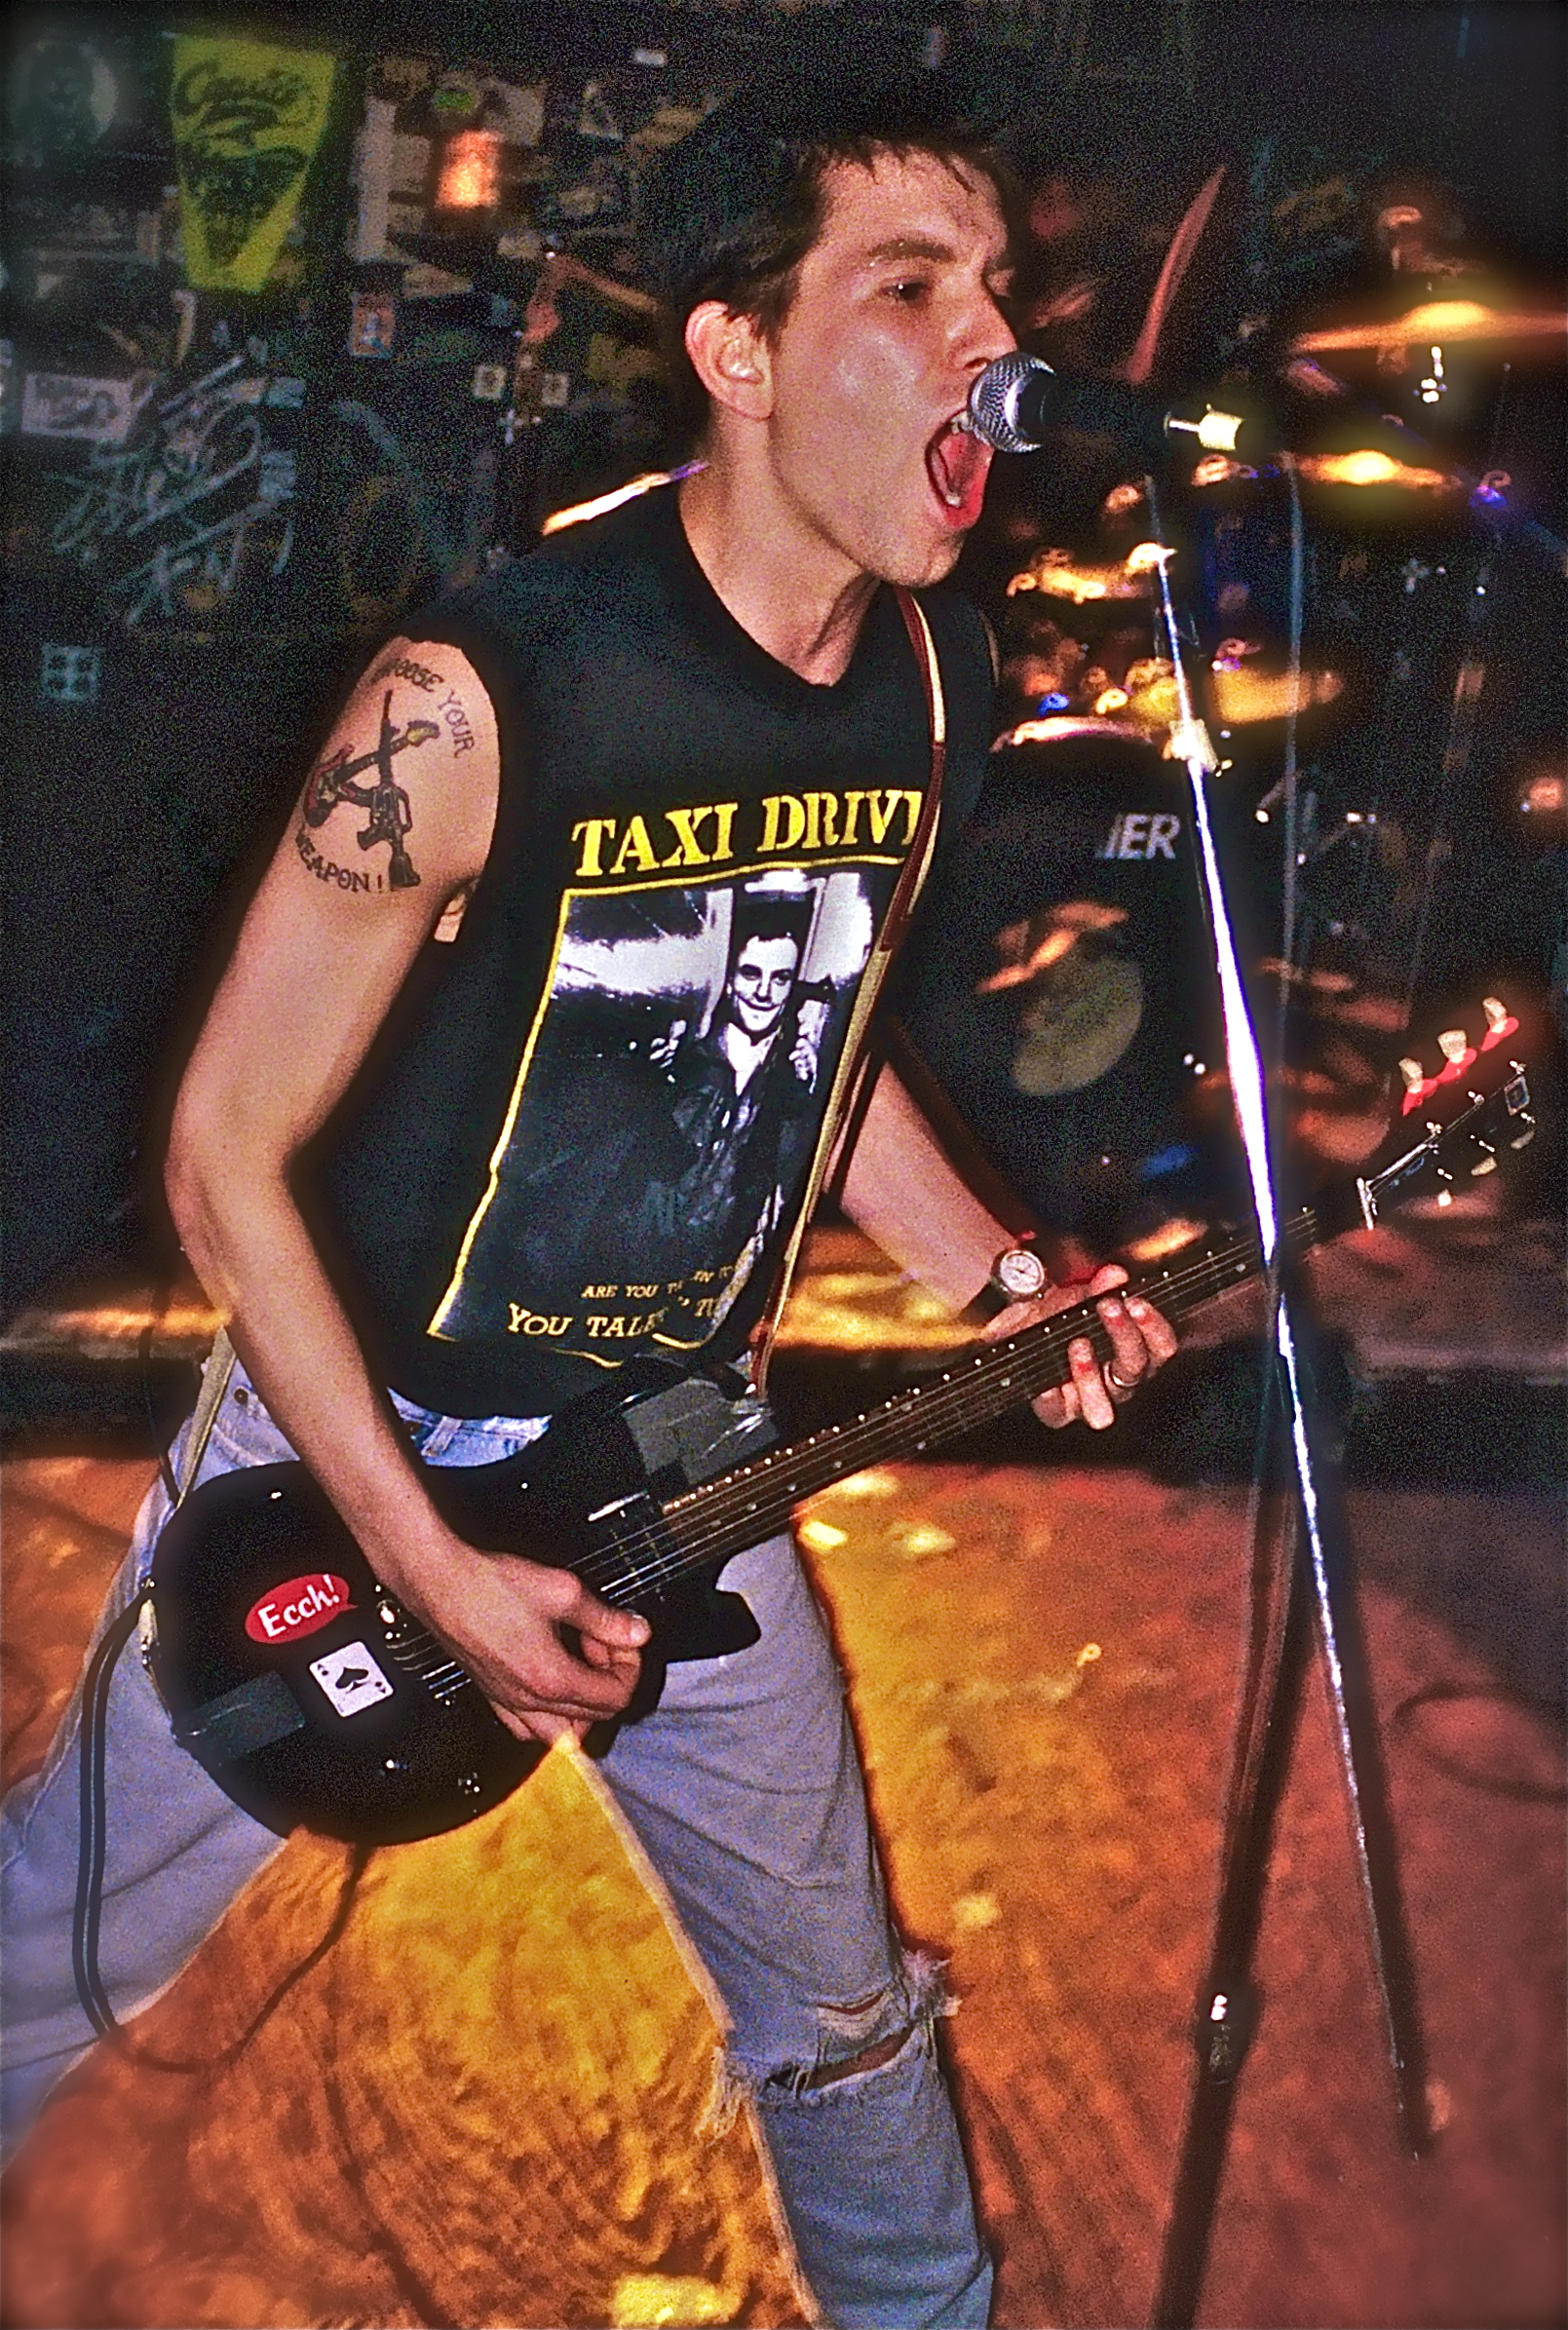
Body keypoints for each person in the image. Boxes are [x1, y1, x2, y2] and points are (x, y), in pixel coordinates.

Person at [1, 76, 1176, 2326]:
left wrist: (1009, 1273)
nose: (983, 350)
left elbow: (806, 1047)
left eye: (994, 295)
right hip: (364, 1475)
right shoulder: (486, 690)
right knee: (48, 1956)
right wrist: (429, 1562)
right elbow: (217, 1154)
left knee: (842, 2027)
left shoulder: (933, 679)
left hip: (686, 1456)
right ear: (738, 350)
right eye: (906, 291)